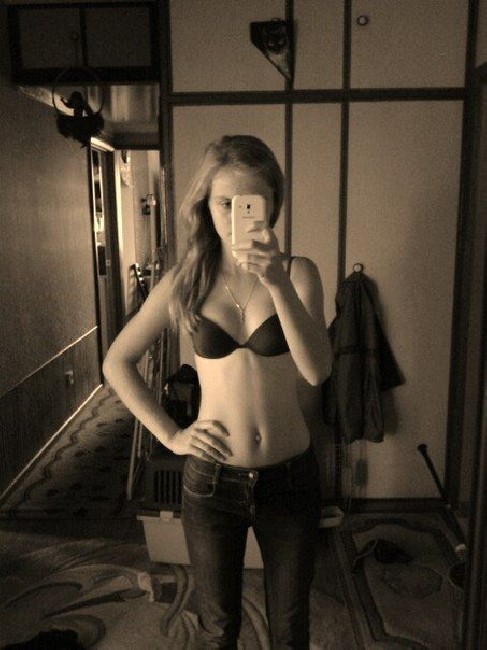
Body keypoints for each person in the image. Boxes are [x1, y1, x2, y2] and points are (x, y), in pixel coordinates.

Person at [103, 134, 332, 648]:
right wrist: (171, 435)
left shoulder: (299, 273)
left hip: (291, 479)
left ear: (272, 203)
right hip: (211, 482)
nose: (235, 216)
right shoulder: (186, 280)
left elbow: (317, 371)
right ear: (205, 206)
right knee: (217, 629)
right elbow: (117, 361)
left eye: (252, 202)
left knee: (290, 629)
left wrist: (275, 284)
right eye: (225, 202)